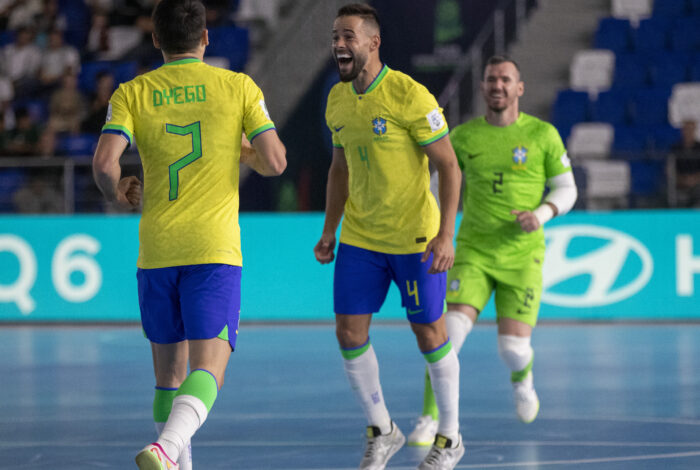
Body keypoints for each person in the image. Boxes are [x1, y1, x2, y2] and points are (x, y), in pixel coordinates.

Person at [91, 1, 286, 469]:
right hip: (212, 250)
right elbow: (276, 161)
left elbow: (102, 164)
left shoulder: (132, 92)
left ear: (155, 40)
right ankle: (165, 448)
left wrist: (117, 190)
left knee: (167, 378)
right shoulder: (237, 86)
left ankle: (175, 458)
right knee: (209, 370)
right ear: (205, 39)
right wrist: (241, 151)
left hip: (156, 252)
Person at [314, 4, 464, 469]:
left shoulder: (409, 95)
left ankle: (451, 438)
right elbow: (339, 168)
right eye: (336, 35)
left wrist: (446, 235)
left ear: (374, 43)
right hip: (361, 237)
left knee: (430, 334)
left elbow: (449, 166)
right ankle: (384, 429)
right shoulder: (336, 100)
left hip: (415, 238)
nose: (340, 44)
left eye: (349, 36)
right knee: (348, 332)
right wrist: (328, 230)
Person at [407, 55, 578, 446]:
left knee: (514, 349)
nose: (497, 85)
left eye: (505, 79)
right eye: (490, 79)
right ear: (483, 88)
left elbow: (567, 188)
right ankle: (430, 419)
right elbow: (437, 186)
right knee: (445, 336)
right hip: (473, 252)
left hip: (522, 254)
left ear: (519, 88)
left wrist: (542, 213)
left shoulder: (543, 135)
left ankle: (523, 377)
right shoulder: (465, 137)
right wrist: (433, 229)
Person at [671, 119, 700, 207]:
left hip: (697, 184)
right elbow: (670, 170)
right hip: (680, 184)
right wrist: (683, 180)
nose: (688, 132)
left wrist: (694, 179)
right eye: (686, 129)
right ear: (682, 131)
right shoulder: (675, 149)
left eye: (690, 129)